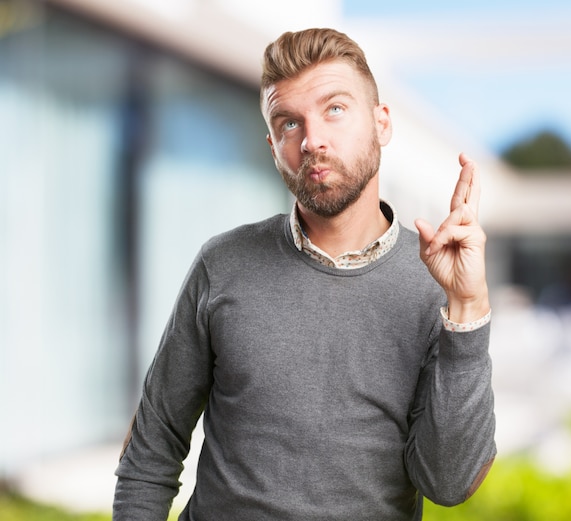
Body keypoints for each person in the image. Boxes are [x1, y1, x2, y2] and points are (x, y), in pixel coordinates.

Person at [113, 27, 496, 521]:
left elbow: (449, 483)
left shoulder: (437, 286)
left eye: (335, 109)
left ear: (382, 124)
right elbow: (152, 446)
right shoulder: (223, 263)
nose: (312, 140)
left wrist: (466, 308)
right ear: (272, 146)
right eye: (289, 123)